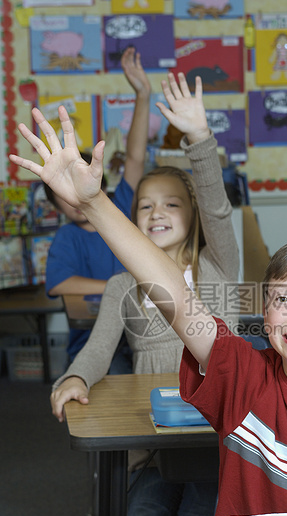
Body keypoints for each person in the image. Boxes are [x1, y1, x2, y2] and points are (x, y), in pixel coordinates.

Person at [11, 78, 287, 516]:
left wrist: (200, 139)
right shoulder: (245, 379)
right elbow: (175, 297)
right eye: (283, 298)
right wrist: (94, 203)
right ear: (264, 311)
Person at [48, 72, 240, 516]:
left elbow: (217, 206)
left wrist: (199, 136)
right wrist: (75, 376)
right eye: (146, 206)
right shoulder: (121, 285)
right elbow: (98, 349)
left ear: (192, 217)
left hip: (216, 440)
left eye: (172, 204)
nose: (156, 212)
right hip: (152, 442)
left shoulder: (218, 266)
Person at [45, 46, 151, 361]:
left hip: (140, 340)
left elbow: (135, 157)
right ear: (57, 204)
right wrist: (118, 287)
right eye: (65, 195)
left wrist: (143, 96)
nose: (76, 200)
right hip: (94, 347)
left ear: (100, 183)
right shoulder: (68, 237)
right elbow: (61, 283)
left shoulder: (121, 208)